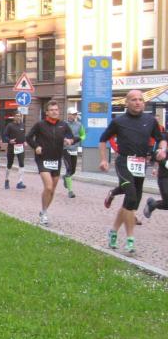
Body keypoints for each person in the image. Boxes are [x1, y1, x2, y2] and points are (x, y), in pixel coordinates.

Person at [99, 90, 163, 254]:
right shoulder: (118, 121)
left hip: (140, 164)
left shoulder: (150, 120)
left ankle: (113, 231)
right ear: (127, 102)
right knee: (132, 196)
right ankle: (130, 240)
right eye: (134, 99)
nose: (138, 102)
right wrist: (104, 160)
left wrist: (162, 149)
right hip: (123, 162)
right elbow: (103, 139)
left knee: (130, 203)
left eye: (140, 99)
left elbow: (161, 138)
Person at [25, 100, 76, 226]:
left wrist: (70, 141)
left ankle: (44, 211)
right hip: (43, 159)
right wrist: (36, 146)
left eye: (56, 110)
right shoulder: (40, 125)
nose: (54, 112)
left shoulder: (63, 125)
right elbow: (28, 137)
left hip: (56, 160)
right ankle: (44, 214)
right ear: (47, 112)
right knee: (48, 186)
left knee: (52, 190)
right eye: (52, 110)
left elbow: (72, 137)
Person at [143, 129, 168, 219]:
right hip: (165, 176)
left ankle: (152, 204)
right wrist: (162, 162)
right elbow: (154, 154)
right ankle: (152, 204)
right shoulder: (164, 137)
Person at [62, 108, 86, 198]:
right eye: (72, 114)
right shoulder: (63, 124)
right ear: (68, 114)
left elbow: (83, 135)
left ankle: (65, 177)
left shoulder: (79, 125)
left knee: (73, 171)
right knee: (69, 169)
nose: (74, 116)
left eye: (75, 114)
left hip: (74, 149)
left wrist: (79, 139)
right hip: (65, 149)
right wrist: (64, 140)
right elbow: (59, 135)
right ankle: (70, 191)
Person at [3, 112, 27, 190]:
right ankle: (6, 180)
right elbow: (5, 135)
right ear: (14, 117)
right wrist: (9, 140)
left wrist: (24, 141)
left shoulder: (22, 125)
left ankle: (20, 182)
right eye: (16, 116)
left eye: (19, 116)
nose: (18, 117)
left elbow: (23, 135)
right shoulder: (10, 125)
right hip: (12, 147)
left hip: (20, 147)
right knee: (9, 164)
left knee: (21, 163)